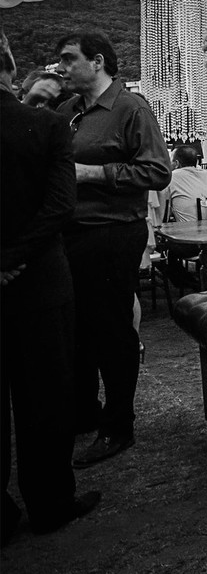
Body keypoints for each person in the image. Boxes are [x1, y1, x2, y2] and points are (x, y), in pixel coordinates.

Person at [55, 30, 172, 467]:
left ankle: (118, 424)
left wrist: (92, 174)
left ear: (98, 61)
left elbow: (158, 171)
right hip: (70, 235)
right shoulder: (67, 111)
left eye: (68, 59)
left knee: (112, 330)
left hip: (111, 233)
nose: (61, 68)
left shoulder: (130, 108)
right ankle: (85, 412)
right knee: (77, 332)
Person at [1, 33, 101, 543]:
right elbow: (60, 206)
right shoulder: (47, 126)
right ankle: (50, 502)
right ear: (10, 67)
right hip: (38, 281)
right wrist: (13, 259)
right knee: (46, 399)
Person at [157, 143, 207, 224]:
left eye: (170, 161)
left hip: (186, 232)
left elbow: (162, 214)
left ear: (176, 163)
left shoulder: (172, 177)